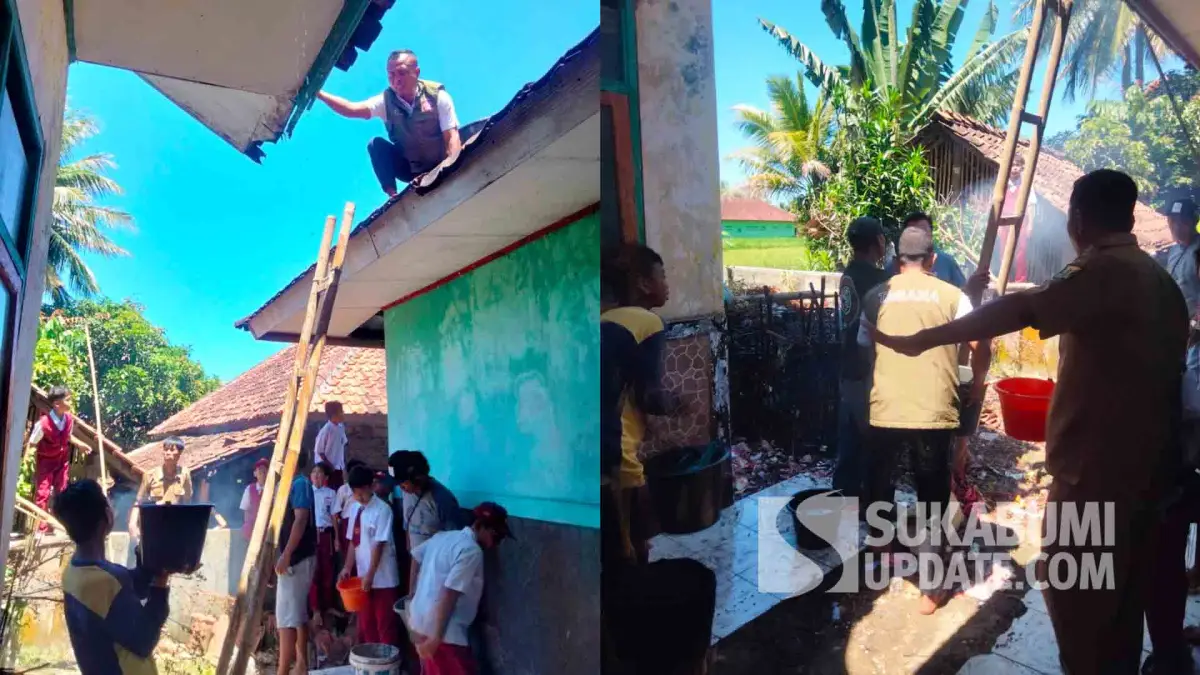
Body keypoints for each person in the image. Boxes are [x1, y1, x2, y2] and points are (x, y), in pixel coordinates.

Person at [872, 170, 1188, 672]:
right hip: (1149, 476)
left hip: (1095, 480)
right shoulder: (1161, 280)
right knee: (1122, 606)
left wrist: (925, 339)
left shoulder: (1101, 273)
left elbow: (1021, 308)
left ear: (1077, 219)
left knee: (1079, 605)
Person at [859, 225, 988, 616]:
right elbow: (982, 344)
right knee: (932, 497)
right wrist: (978, 383)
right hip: (934, 410)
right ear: (932, 260)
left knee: (879, 482)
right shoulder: (953, 296)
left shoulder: (876, 295)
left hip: (886, 408)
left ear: (898, 260)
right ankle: (932, 589)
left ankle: (881, 553)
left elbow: (866, 351)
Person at [900, 212, 992, 509]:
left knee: (940, 435)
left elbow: (964, 309)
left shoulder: (947, 264)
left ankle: (948, 477)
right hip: (905, 366)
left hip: (941, 362)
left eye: (924, 232)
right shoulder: (894, 273)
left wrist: (972, 291)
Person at [600, 244, 682, 564]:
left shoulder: (605, 320)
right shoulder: (645, 322)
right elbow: (649, 398)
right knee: (634, 545)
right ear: (644, 284)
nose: (667, 284)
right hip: (617, 458)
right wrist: (675, 403)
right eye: (662, 276)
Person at [56, 479, 180, 675]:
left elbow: (132, 586)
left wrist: (146, 555)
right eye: (108, 502)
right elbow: (145, 640)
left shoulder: (73, 571)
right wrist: (161, 581)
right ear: (106, 515)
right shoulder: (107, 581)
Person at [317, 49, 462, 197]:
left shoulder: (437, 96)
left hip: (441, 161)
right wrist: (319, 94)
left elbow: (451, 136)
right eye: (391, 75)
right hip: (412, 170)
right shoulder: (385, 102)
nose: (396, 80)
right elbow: (352, 109)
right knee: (376, 145)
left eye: (402, 73)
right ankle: (393, 196)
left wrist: (452, 169)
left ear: (416, 72)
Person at [408, 502, 512, 675]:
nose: (496, 543)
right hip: (445, 633)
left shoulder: (443, 537)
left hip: (421, 622)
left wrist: (412, 595)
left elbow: (416, 556)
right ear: (483, 527)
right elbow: (450, 593)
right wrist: (436, 638)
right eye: (497, 536)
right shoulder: (471, 551)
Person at [832, 217, 892, 498]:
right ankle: (874, 505)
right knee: (877, 442)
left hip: (847, 368)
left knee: (849, 439)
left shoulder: (847, 275)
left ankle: (844, 499)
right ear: (878, 242)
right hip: (870, 369)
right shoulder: (882, 281)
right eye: (883, 239)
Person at [339, 465, 402, 647]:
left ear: (371, 486)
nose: (359, 498)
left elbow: (379, 544)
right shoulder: (355, 509)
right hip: (363, 580)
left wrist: (370, 574)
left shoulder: (383, 510)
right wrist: (347, 567)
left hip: (383, 578)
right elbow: (353, 541)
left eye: (362, 493)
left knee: (385, 626)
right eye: (356, 494)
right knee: (367, 626)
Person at [274, 451, 318, 675]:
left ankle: (291, 668)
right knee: (291, 614)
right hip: (292, 557)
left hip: (298, 558)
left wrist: (287, 554)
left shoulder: (299, 484)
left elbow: (300, 519)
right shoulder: (287, 485)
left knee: (291, 616)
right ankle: (296, 666)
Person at [389, 451, 463, 551]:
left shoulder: (442, 499)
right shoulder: (407, 492)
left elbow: (455, 539)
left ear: (417, 477)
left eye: (404, 483)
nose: (401, 488)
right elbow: (408, 525)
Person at [27, 386, 77, 533]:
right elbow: (32, 442)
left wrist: (80, 445)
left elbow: (67, 436)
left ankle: (59, 526)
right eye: (68, 400)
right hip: (46, 463)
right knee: (43, 494)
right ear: (57, 404)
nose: (71, 402)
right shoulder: (42, 424)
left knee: (62, 492)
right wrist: (28, 459)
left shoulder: (69, 419)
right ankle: (40, 530)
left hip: (62, 461)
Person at [128, 437, 192, 543]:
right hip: (153, 524)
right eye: (165, 450)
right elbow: (139, 502)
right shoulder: (150, 475)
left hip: (175, 526)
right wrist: (132, 524)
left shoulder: (185, 474)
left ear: (179, 453)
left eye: (171, 450)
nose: (167, 453)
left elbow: (187, 501)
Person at [309, 461, 338, 621]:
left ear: (325, 477)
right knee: (314, 572)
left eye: (319, 473)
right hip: (313, 535)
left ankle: (328, 607)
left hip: (326, 535)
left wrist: (337, 539)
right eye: (314, 472)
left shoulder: (331, 494)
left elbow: (334, 516)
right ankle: (315, 609)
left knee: (327, 571)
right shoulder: (307, 492)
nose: (316, 475)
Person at [333, 459, 366, 557]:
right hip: (347, 524)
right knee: (349, 554)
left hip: (363, 522)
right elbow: (335, 514)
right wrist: (336, 537)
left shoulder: (366, 488)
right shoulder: (343, 489)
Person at [313, 401, 348, 489]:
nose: (343, 414)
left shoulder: (341, 427)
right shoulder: (326, 430)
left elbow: (343, 444)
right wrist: (330, 465)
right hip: (326, 469)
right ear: (334, 414)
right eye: (341, 412)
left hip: (338, 467)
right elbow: (319, 451)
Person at [240, 458, 268, 541]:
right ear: (255, 473)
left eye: (265, 470)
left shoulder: (274, 488)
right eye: (259, 469)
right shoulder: (249, 489)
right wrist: (249, 526)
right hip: (253, 530)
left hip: (269, 531)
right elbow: (246, 510)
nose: (262, 472)